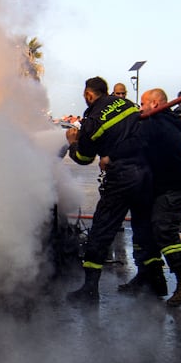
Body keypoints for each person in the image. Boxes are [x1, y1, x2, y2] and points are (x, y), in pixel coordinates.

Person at [64, 77, 154, 303]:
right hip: (147, 172)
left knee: (101, 231)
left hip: (121, 178)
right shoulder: (128, 105)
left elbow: (84, 158)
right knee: (143, 227)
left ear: (89, 95)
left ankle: (90, 289)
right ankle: (151, 279)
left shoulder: (93, 120)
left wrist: (73, 142)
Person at [116, 88, 181, 306]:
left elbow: (132, 146)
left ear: (154, 104)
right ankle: (149, 278)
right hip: (164, 189)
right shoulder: (166, 122)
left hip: (173, 190)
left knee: (163, 230)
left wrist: (109, 154)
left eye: (143, 104)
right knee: (146, 231)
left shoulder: (155, 124)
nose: (140, 108)